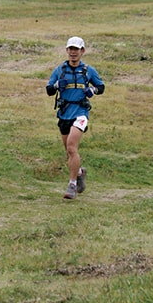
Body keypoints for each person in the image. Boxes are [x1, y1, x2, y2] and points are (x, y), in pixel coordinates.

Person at [46, 36, 105, 199]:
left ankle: (72, 185)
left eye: (76, 49)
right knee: (69, 152)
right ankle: (79, 172)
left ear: (82, 51)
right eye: (70, 49)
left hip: (81, 112)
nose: (73, 52)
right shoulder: (59, 70)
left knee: (72, 147)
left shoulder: (88, 70)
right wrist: (58, 85)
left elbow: (101, 86)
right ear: (67, 51)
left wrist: (92, 91)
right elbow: (49, 89)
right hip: (64, 112)